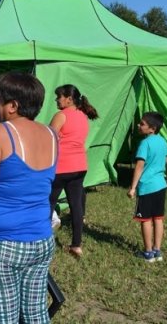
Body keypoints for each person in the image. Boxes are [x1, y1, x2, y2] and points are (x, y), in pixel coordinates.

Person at [0, 72, 57, 323]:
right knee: (36, 314)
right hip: (40, 238)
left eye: (0, 101)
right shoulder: (51, 135)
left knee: (4, 317)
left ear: (13, 105)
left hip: (2, 243)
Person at [49, 84, 98, 258]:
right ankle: (76, 245)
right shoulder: (82, 115)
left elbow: (49, 139)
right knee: (76, 206)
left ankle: (42, 240)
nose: (56, 99)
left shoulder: (60, 115)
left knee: (48, 202)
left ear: (69, 99)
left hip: (61, 166)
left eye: (59, 97)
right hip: (79, 166)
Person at [127, 111, 167, 262]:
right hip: (160, 186)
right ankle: (157, 251)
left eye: (142, 124)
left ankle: (148, 253)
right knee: (158, 219)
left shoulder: (144, 143)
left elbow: (139, 167)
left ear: (152, 128)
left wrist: (133, 187)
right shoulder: (162, 141)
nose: (138, 125)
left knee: (146, 220)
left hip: (147, 187)